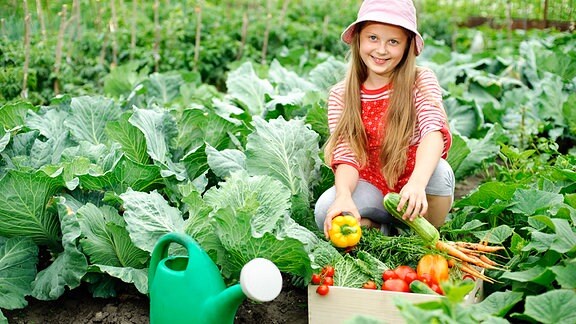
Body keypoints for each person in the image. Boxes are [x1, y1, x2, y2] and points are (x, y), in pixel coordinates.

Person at [314, 0, 455, 239]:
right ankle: (385, 228)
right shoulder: (342, 94)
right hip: (371, 184)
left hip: (414, 178)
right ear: (358, 39)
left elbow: (433, 130)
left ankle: (424, 233)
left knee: (440, 173)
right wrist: (344, 195)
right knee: (326, 210)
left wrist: (418, 183)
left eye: (393, 42)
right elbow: (346, 153)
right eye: (373, 38)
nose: (381, 50)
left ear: (408, 46)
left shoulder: (420, 79)